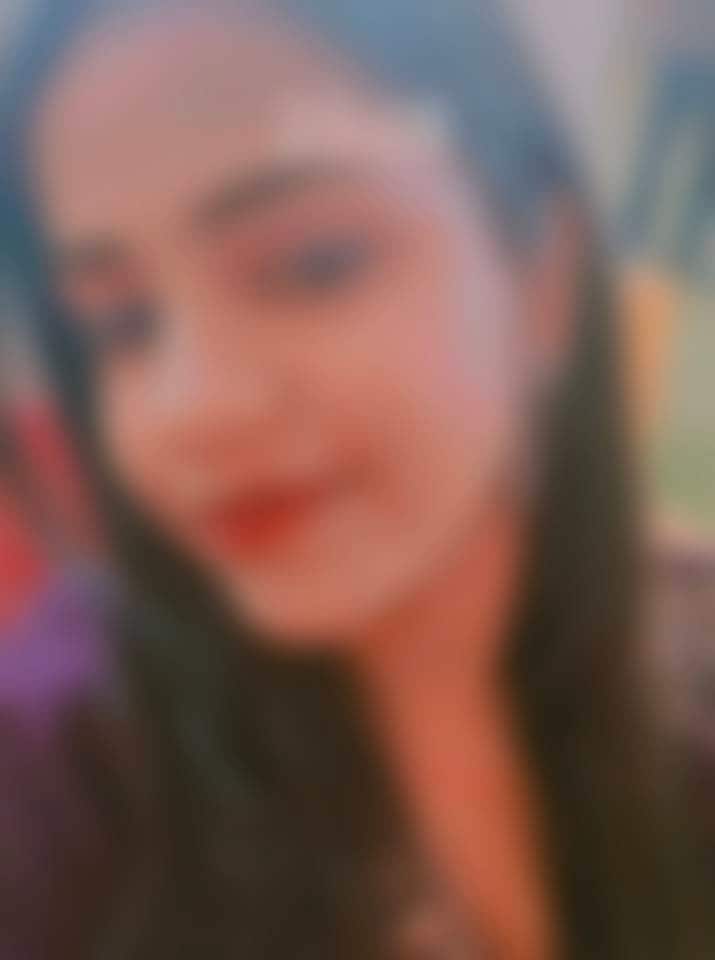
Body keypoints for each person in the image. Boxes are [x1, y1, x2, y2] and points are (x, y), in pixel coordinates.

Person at [1, 1, 711, 957]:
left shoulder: (680, 718)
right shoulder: (60, 762)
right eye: (123, 327)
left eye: (315, 263)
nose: (190, 407)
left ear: (540, 280)